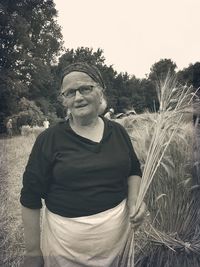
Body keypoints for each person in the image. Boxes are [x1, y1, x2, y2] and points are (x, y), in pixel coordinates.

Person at [20, 62, 146, 267]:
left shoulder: (118, 132)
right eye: (69, 93)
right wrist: (33, 251)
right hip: (65, 250)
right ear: (64, 101)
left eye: (85, 88)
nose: (78, 97)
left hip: (118, 246)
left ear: (100, 91)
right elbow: (30, 197)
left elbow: (133, 169)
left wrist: (134, 200)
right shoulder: (49, 139)